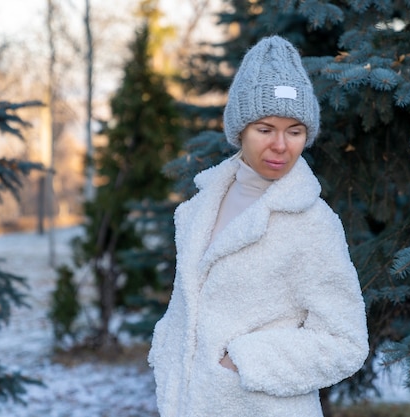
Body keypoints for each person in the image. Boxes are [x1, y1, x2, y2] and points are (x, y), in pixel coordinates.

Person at [147, 36, 369, 417]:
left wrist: (244, 361)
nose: (281, 145)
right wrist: (166, 345)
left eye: (295, 131)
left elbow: (345, 342)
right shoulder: (199, 208)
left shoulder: (312, 223)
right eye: (265, 129)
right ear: (240, 130)